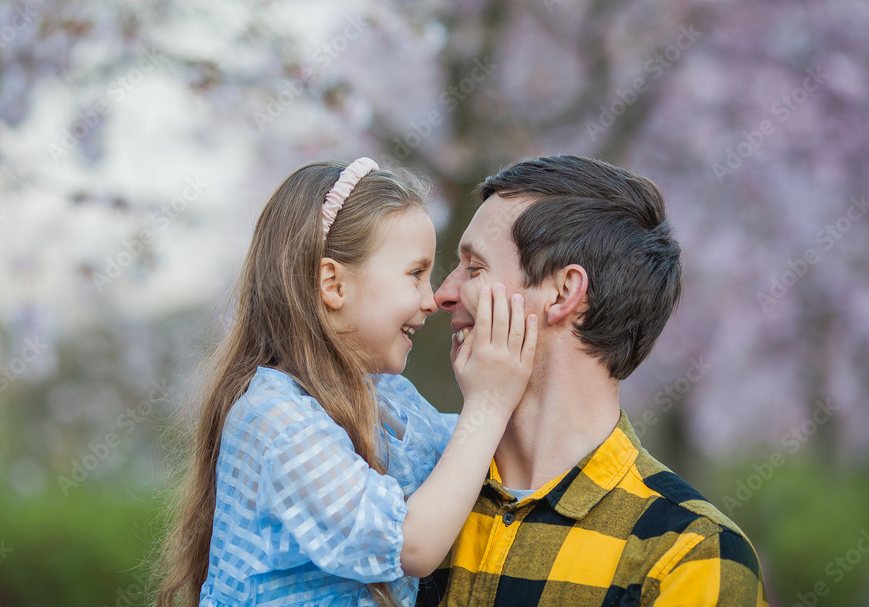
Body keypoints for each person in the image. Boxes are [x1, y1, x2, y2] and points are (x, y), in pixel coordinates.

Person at [153, 158, 538, 607]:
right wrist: (489, 403)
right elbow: (410, 545)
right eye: (415, 273)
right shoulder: (275, 419)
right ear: (333, 283)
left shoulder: (386, 399)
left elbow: (468, 455)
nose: (431, 299)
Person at [416, 155, 768, 607]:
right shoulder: (410, 500)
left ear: (563, 292)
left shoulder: (690, 553)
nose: (441, 294)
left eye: (474, 267)